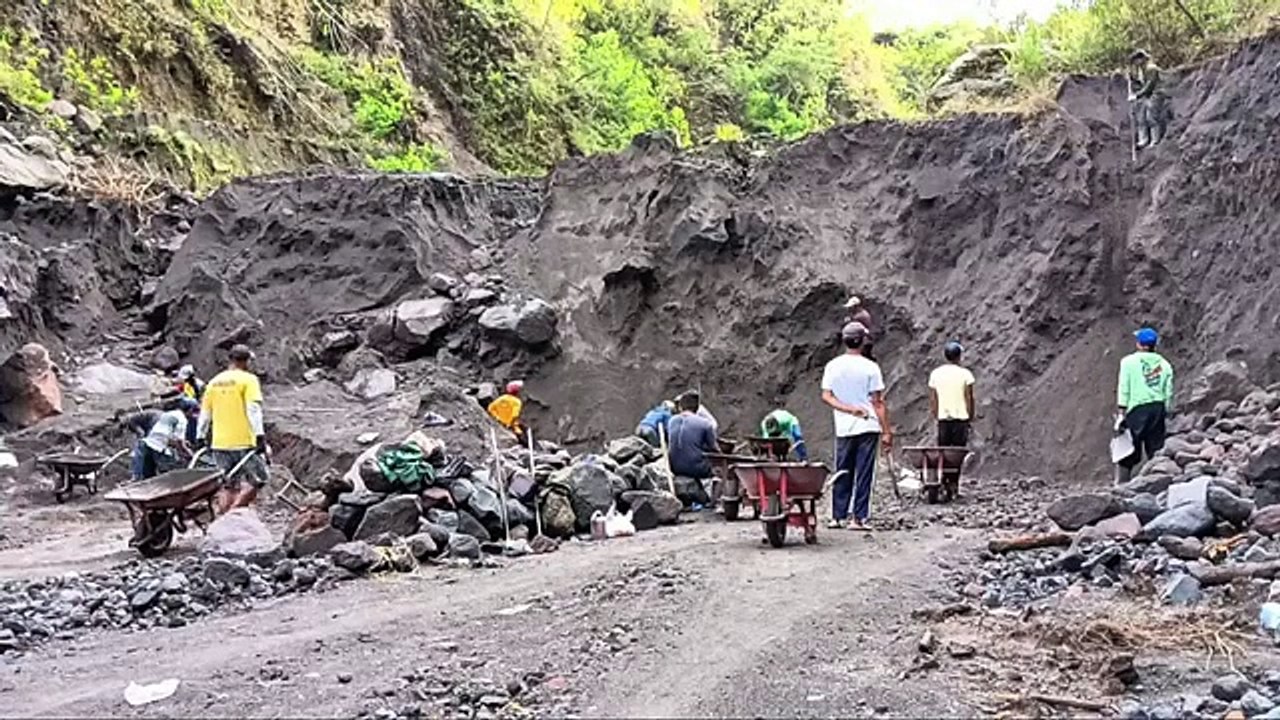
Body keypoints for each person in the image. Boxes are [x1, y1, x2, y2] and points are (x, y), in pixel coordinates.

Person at [821, 321, 891, 531]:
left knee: (842, 470)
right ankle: (859, 518)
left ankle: (837, 516)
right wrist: (887, 431)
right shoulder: (871, 367)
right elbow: (878, 402)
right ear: (862, 341)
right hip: (868, 425)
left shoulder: (833, 366)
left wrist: (847, 409)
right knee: (864, 472)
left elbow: (826, 396)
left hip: (843, 427)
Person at [198, 344, 270, 513]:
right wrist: (259, 435)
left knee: (228, 484)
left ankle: (223, 518)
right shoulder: (249, 380)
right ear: (246, 362)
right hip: (243, 441)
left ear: (230, 359)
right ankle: (234, 512)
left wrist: (200, 436)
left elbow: (205, 413)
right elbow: (253, 409)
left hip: (219, 443)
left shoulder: (214, 382)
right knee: (259, 479)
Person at [1115, 327, 1174, 484]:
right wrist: (1165, 410)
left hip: (1137, 409)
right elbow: (1168, 391)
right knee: (1155, 446)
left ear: (1140, 344)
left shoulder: (1128, 362)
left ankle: (1122, 484)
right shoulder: (1165, 364)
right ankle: (1159, 480)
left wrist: (1121, 411)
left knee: (1129, 447)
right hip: (1158, 407)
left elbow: (1124, 387)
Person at [135, 397, 196, 481]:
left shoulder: (169, 414)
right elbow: (179, 442)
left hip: (147, 444)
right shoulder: (182, 419)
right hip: (159, 448)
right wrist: (189, 453)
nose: (193, 414)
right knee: (169, 475)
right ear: (190, 410)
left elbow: (164, 435)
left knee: (148, 477)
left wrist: (183, 443)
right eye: (193, 411)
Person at [929, 341, 976, 448]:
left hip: (943, 419)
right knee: (959, 452)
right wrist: (970, 415)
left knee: (943, 452)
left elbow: (933, 398)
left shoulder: (936, 373)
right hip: (961, 419)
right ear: (959, 356)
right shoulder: (965, 374)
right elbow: (969, 397)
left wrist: (936, 415)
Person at [667, 391, 718, 480]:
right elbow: (714, 449)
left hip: (673, 467)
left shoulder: (671, 421)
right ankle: (715, 493)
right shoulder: (705, 423)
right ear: (698, 408)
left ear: (681, 407)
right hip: (695, 469)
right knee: (718, 472)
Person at [1128, 49, 1169, 149]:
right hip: (1149, 95)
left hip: (1157, 93)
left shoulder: (1151, 68)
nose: (1135, 63)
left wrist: (1137, 95)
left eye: (1136, 60)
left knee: (1151, 116)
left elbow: (1149, 85)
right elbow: (1142, 83)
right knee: (1142, 117)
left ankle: (1155, 141)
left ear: (1141, 58)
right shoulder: (1143, 70)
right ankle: (1144, 140)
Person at [488, 380, 528, 445]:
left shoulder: (501, 398)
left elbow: (490, 408)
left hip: (500, 423)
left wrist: (497, 417)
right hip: (511, 426)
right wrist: (510, 423)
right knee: (525, 435)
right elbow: (515, 415)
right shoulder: (516, 402)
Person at [844, 296, 876, 361]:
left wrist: (849, 321)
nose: (849, 309)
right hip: (865, 341)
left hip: (863, 342)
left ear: (856, 306)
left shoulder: (861, 316)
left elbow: (852, 327)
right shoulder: (861, 314)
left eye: (851, 307)